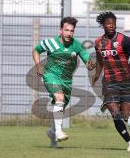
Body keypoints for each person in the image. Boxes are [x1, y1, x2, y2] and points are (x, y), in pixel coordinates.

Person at [32, 17, 95, 148]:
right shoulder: (50, 42)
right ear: (61, 30)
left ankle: (52, 133)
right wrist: (38, 66)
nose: (69, 33)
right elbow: (36, 50)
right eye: (66, 30)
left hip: (66, 81)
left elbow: (88, 64)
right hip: (50, 76)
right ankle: (59, 132)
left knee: (59, 107)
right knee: (59, 97)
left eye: (72, 31)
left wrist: (93, 62)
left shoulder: (77, 45)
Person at [92, 12, 130, 152]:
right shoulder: (98, 42)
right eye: (108, 23)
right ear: (103, 25)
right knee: (116, 114)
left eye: (113, 23)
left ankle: (110, 104)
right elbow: (99, 60)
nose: (111, 25)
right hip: (109, 83)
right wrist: (97, 74)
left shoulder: (124, 40)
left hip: (125, 83)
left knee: (128, 117)